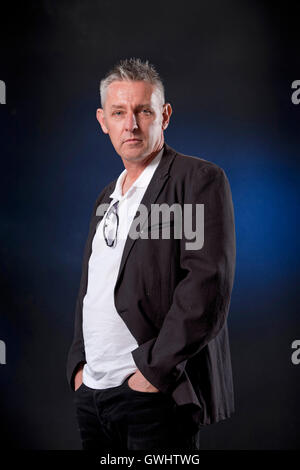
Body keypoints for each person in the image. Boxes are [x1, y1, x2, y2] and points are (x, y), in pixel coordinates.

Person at [66, 58, 236, 451]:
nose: (132, 124)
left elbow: (207, 285)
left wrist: (153, 372)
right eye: (119, 112)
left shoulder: (196, 180)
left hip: (151, 394)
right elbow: (94, 284)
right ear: (102, 120)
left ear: (165, 115)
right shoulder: (106, 198)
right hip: (93, 393)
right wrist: (79, 365)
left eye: (144, 111)